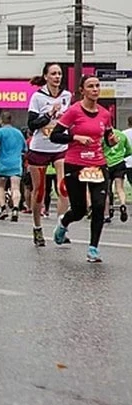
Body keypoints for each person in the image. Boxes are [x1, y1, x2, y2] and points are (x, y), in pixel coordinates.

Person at [50, 75, 115, 262]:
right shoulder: (73, 111)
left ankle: (93, 248)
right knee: (79, 210)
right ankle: (63, 222)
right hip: (76, 164)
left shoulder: (105, 113)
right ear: (82, 90)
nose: (95, 89)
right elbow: (55, 136)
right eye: (91, 86)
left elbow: (108, 137)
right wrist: (75, 138)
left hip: (98, 164)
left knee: (98, 205)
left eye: (97, 86)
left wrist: (111, 141)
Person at [25, 63, 72, 247]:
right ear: (46, 76)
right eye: (53, 73)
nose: (57, 77)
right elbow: (31, 124)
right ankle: (37, 228)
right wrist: (49, 116)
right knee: (40, 191)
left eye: (59, 73)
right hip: (39, 149)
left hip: (60, 147)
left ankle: (61, 227)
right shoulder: (37, 97)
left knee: (63, 188)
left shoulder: (67, 96)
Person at [0, 111, 27, 223]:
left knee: (0, 187)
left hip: (2, 163)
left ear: (1, 121)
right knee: (15, 188)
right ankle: (16, 208)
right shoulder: (18, 133)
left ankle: (3, 209)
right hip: (16, 164)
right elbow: (24, 149)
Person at [104, 125, 131, 222]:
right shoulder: (122, 135)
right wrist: (121, 156)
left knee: (106, 189)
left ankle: (106, 213)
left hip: (107, 164)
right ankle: (123, 204)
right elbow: (129, 150)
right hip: (119, 163)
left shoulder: (104, 136)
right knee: (120, 188)